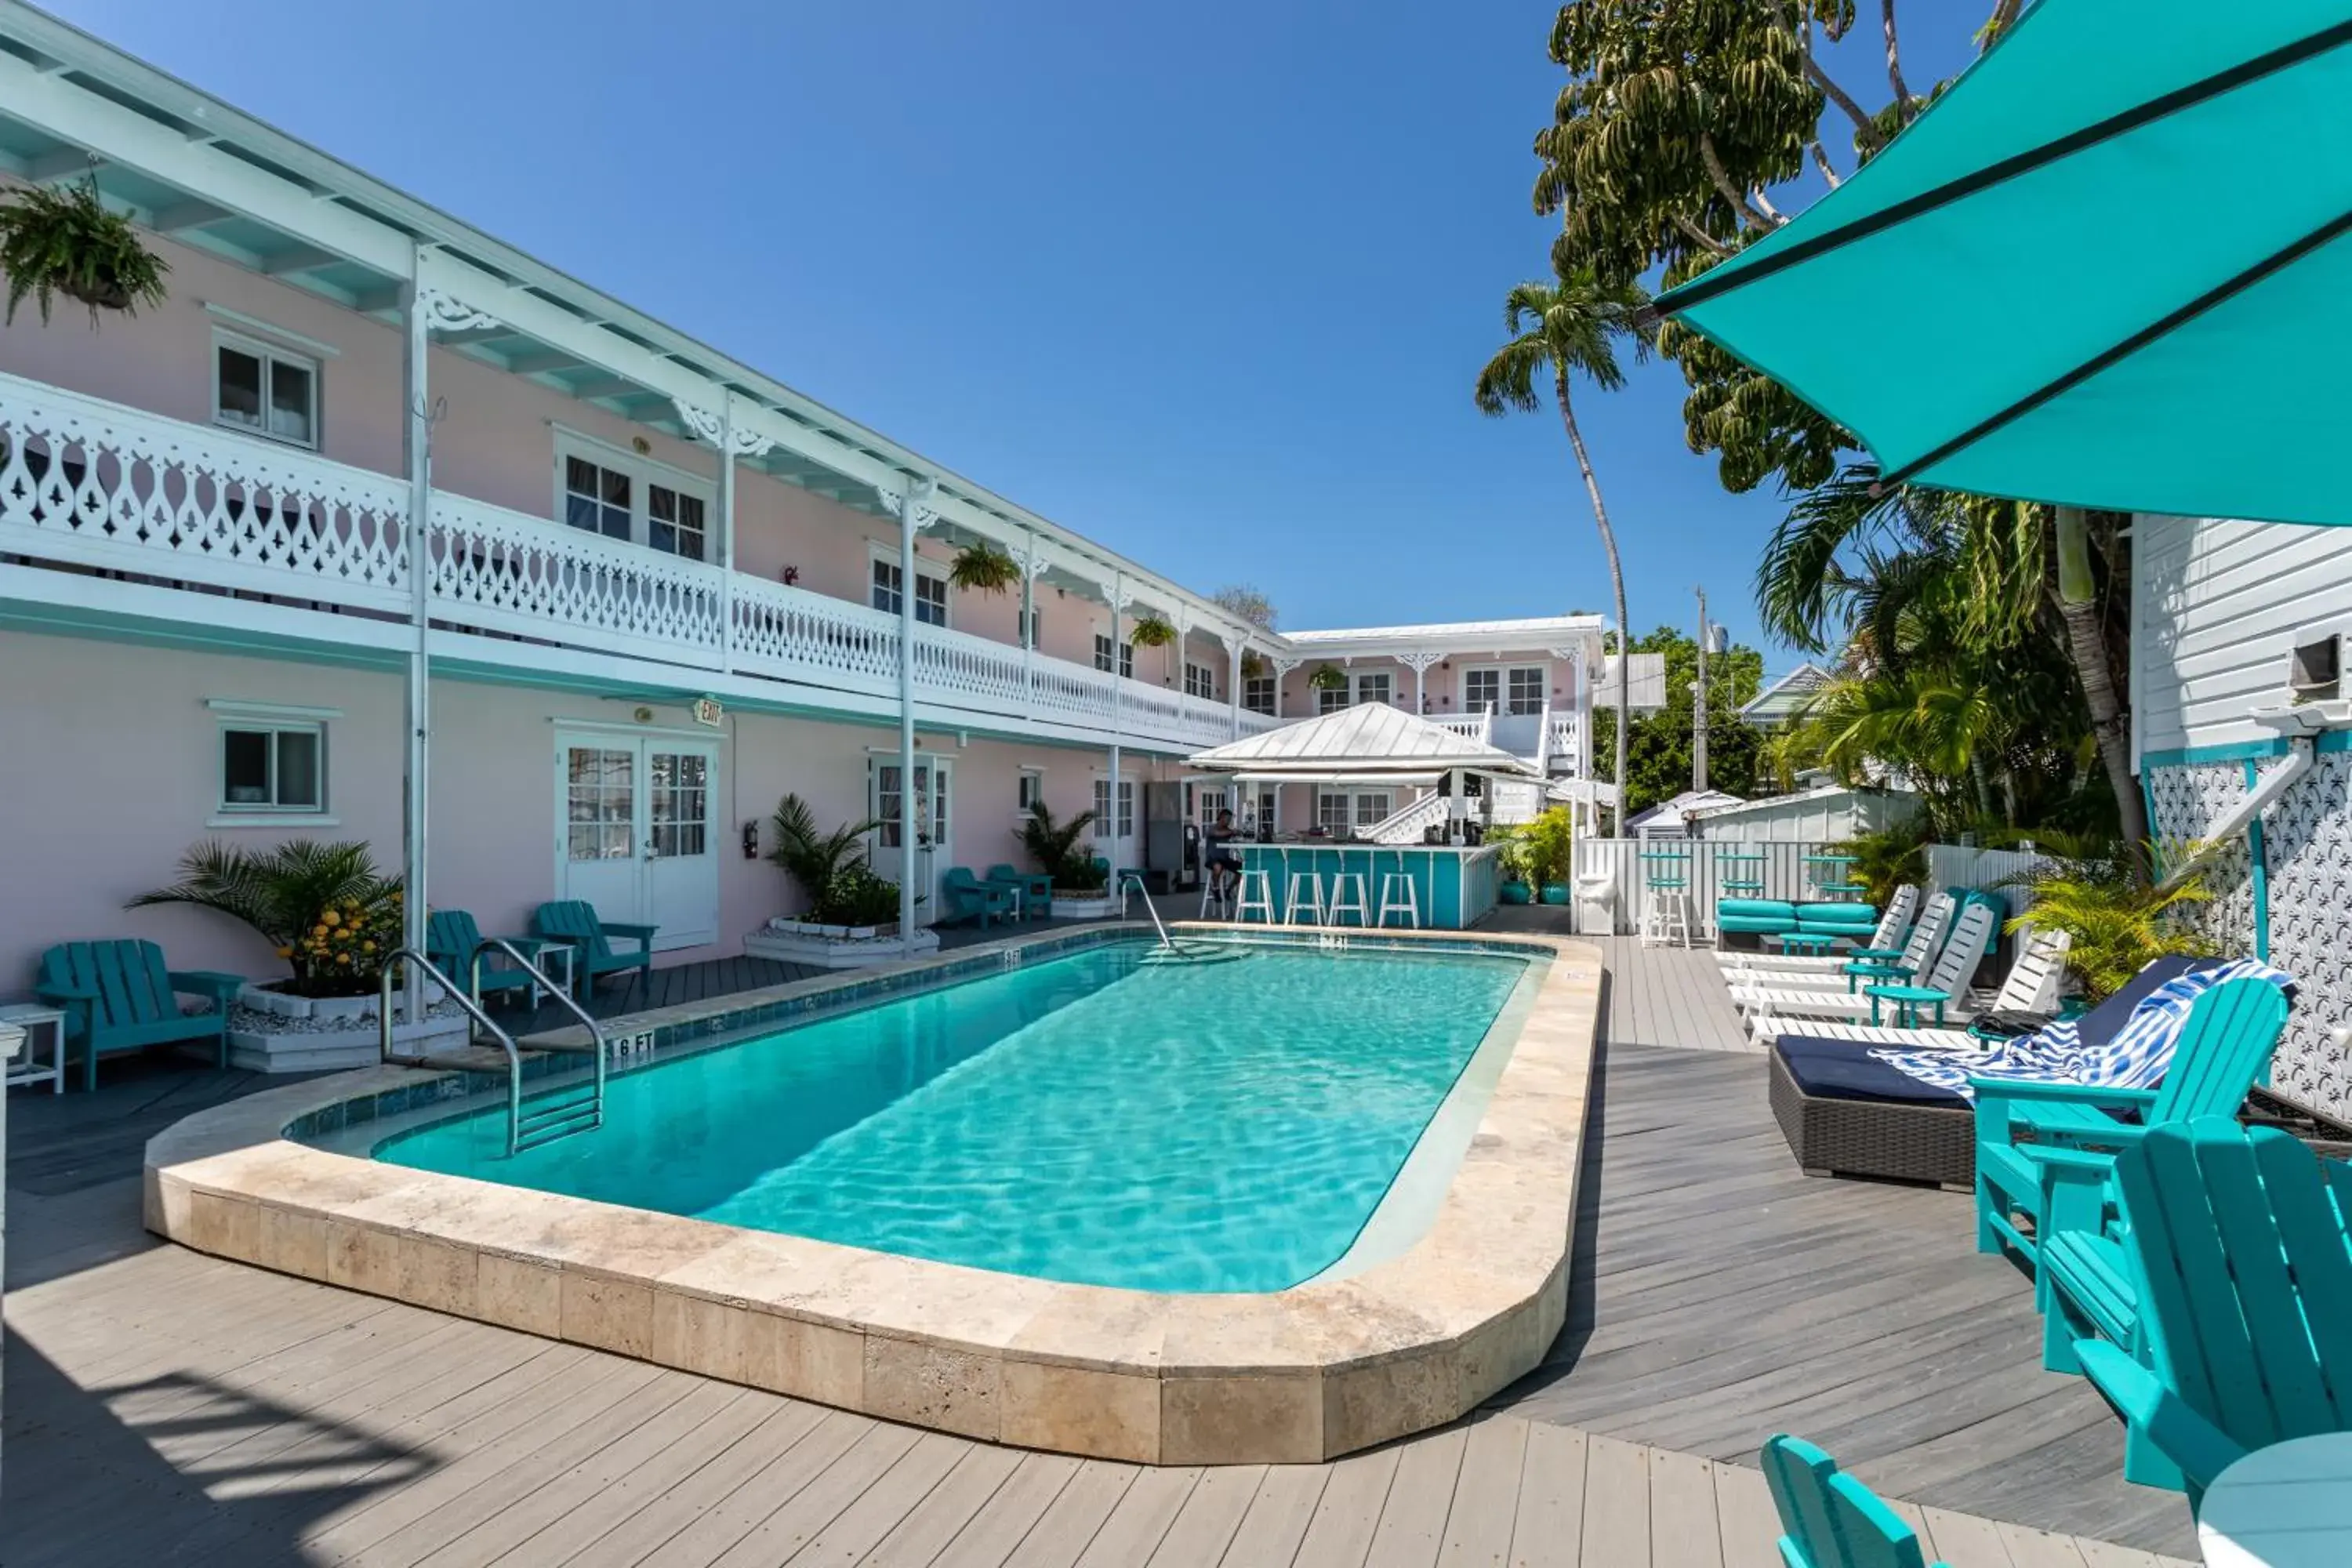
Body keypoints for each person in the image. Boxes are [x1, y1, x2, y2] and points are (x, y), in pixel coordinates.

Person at [1203, 808, 1244, 902]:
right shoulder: (1212, 828)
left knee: (1242, 869)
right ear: (1222, 818)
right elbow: (1217, 834)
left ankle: (1228, 890)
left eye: (1230, 819)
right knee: (1218, 867)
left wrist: (1238, 834)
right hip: (1212, 858)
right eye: (1228, 819)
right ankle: (1215, 888)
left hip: (1225, 859)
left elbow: (1234, 836)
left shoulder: (1228, 831)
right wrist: (1232, 832)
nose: (1229, 821)